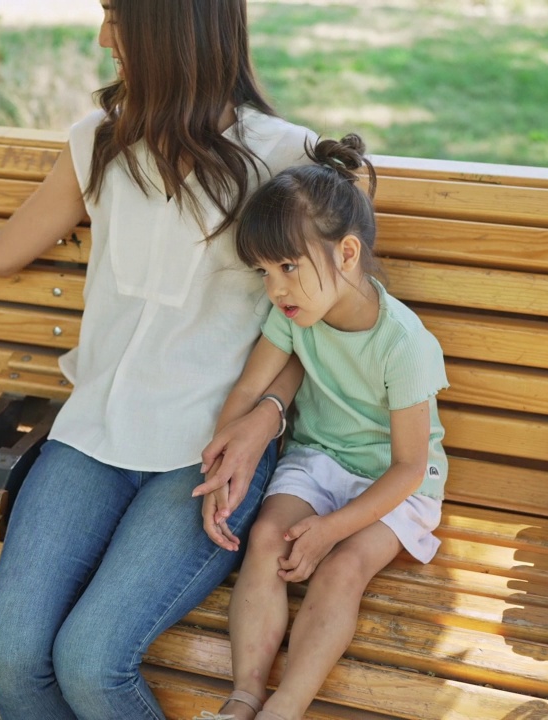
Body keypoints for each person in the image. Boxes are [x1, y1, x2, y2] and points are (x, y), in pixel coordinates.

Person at [0, 1, 316, 716]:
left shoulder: (287, 157)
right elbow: (1, 248)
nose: (104, 35)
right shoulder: (99, 143)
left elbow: (311, 321)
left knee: (91, 662)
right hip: (92, 435)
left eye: (115, 14)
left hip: (206, 456)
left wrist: (265, 414)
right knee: (10, 653)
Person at [193, 135, 449, 720]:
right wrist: (221, 472)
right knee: (264, 539)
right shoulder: (294, 315)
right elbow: (249, 391)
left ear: (348, 254)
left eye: (287, 267)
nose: (276, 287)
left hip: (397, 481)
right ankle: (244, 695)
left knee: (342, 569)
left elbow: (411, 466)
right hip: (319, 458)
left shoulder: (405, 344)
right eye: (264, 271)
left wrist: (332, 528)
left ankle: (285, 706)